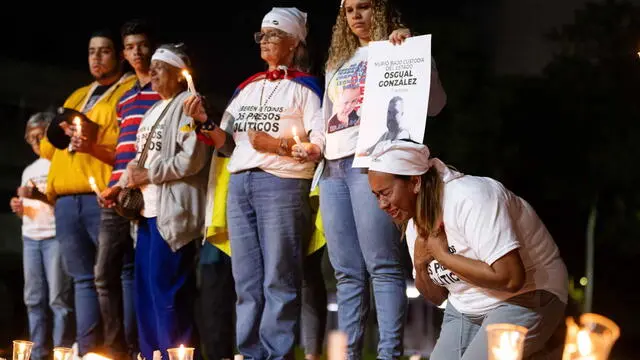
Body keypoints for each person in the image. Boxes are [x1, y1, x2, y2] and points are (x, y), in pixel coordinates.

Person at [292, 0, 447, 358]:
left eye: (364, 7)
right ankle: (348, 354)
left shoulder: (397, 49)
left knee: (383, 266)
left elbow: (436, 104)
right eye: (348, 11)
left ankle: (388, 353)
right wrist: (316, 149)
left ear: (381, 11)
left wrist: (417, 54)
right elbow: (328, 119)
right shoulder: (338, 61)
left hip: (372, 164)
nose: (356, 16)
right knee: (346, 272)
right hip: (333, 169)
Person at [183, 7, 324, 359]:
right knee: (246, 282)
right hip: (240, 186)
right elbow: (227, 145)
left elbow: (320, 146)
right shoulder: (246, 88)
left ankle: (276, 353)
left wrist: (277, 146)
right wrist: (204, 121)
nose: (265, 40)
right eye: (262, 34)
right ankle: (249, 353)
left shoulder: (306, 89)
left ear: (294, 42)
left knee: (279, 278)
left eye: (274, 34)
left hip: (283, 184)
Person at [367, 140, 568, 359]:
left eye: (385, 193)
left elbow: (511, 279)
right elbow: (437, 297)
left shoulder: (470, 197)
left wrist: (443, 256)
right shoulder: (414, 221)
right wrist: (420, 265)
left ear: (415, 182)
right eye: (376, 196)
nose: (382, 205)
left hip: (528, 295)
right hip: (465, 308)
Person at [104, 43, 210, 360]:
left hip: (171, 214)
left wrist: (148, 174)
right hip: (146, 215)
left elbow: (192, 158)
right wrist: (119, 185)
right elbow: (139, 159)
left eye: (160, 67)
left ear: (179, 75)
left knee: (168, 292)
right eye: (151, 66)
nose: (151, 72)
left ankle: (176, 355)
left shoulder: (188, 105)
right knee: (145, 293)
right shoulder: (153, 110)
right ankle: (151, 355)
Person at [38, 28, 136, 356]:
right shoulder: (77, 95)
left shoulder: (130, 90)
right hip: (66, 197)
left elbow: (127, 145)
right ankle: (88, 350)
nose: (96, 57)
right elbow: (52, 149)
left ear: (119, 56)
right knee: (82, 278)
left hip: (103, 193)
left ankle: (121, 346)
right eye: (92, 51)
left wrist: (92, 143)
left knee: (117, 273)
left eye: (104, 51)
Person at [94, 19, 161, 359]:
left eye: (142, 45)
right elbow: (122, 147)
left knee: (140, 274)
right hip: (115, 191)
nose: (137, 52)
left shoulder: (163, 93)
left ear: (153, 48)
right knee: (104, 274)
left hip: (144, 193)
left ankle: (138, 346)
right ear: (124, 53)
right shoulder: (124, 98)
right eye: (131, 47)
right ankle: (115, 347)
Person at [9, 113, 73, 360]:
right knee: (33, 299)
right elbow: (29, 210)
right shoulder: (30, 170)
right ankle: (35, 354)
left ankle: (60, 352)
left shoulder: (61, 162)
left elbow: (65, 204)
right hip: (31, 238)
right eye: (31, 136)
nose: (35, 141)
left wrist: (37, 196)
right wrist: (19, 208)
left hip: (55, 236)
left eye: (40, 135)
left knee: (59, 300)